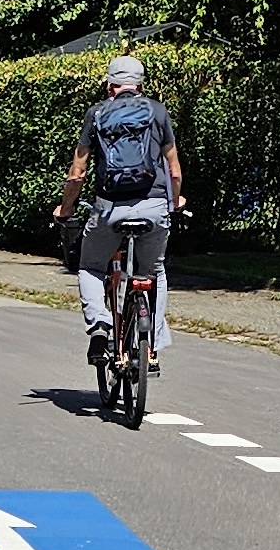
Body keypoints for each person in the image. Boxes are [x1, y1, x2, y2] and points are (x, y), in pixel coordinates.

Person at [53, 54, 184, 372]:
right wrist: (175, 201)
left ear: (110, 85)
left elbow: (77, 173)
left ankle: (99, 328)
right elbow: (174, 170)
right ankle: (150, 344)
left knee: (90, 266)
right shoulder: (157, 112)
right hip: (153, 207)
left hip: (109, 209)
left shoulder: (96, 114)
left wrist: (65, 208)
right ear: (139, 85)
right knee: (154, 271)